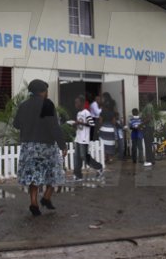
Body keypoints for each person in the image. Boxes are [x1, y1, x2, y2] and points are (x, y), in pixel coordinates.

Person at [13, 79, 67, 216]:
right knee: (54, 172)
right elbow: (54, 126)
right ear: (42, 92)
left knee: (33, 176)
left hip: (28, 146)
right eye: (46, 91)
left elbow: (16, 124)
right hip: (46, 146)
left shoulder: (23, 105)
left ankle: (34, 203)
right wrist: (63, 145)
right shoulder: (47, 104)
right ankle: (47, 197)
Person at [72, 95, 103, 181]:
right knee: (77, 157)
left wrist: (80, 123)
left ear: (81, 103)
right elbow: (79, 126)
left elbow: (92, 124)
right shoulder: (78, 113)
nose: (75, 104)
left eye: (77, 102)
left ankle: (99, 167)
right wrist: (75, 125)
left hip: (84, 139)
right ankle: (78, 175)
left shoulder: (86, 113)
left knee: (84, 156)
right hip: (78, 138)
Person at [99, 92, 117, 163]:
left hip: (104, 129)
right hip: (110, 129)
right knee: (110, 143)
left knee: (104, 144)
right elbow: (114, 122)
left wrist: (100, 127)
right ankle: (110, 158)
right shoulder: (112, 113)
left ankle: (105, 158)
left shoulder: (102, 112)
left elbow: (100, 122)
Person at [141, 94, 156, 166]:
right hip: (147, 127)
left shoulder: (149, 106)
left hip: (148, 127)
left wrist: (140, 124)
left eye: (145, 96)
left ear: (148, 98)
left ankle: (149, 160)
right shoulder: (148, 106)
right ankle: (151, 160)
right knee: (148, 144)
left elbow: (149, 118)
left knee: (148, 144)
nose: (144, 96)